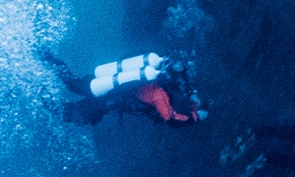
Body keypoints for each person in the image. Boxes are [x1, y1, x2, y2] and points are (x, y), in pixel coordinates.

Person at [43, 49, 203, 128]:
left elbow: (182, 80)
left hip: (104, 82)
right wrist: (195, 116)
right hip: (106, 102)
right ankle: (39, 96)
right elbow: (171, 119)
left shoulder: (156, 64)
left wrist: (191, 94)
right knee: (69, 114)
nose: (183, 85)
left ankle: (46, 57)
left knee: (73, 83)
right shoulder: (160, 94)